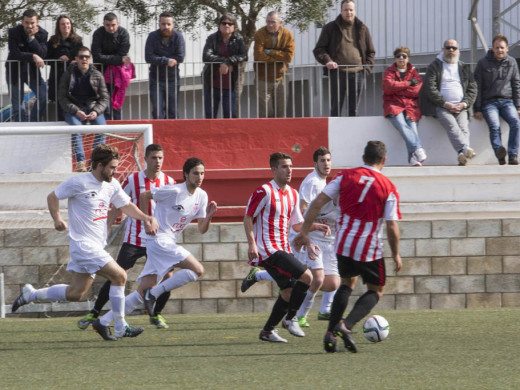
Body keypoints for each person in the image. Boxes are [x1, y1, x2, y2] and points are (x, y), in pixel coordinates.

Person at [11, 144, 159, 341]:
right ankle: (120, 326)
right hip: (83, 245)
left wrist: (145, 217)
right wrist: (57, 219)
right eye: (112, 168)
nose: (115, 172)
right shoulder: (79, 182)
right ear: (99, 165)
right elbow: (53, 197)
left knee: (75, 293)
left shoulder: (112, 185)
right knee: (120, 276)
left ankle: (31, 295)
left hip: (96, 246)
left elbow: (126, 205)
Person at [293, 140, 402, 353]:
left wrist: (304, 231)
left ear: (363, 158)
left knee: (346, 284)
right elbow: (391, 226)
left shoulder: (345, 176)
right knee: (377, 289)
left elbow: (316, 203)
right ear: (384, 160)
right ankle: (346, 325)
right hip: (369, 247)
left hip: (343, 243)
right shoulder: (388, 186)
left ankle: (330, 334)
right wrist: (396, 254)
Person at [95, 158, 217, 335]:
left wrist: (210, 217)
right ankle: (153, 294)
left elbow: (201, 229)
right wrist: (147, 222)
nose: (199, 177)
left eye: (202, 173)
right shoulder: (174, 190)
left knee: (141, 292)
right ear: (186, 174)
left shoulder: (202, 196)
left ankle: (103, 322)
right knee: (197, 270)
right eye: (195, 173)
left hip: (166, 242)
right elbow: (145, 195)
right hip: (159, 240)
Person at [77, 143, 175, 330]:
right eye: (154, 158)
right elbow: (117, 205)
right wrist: (106, 228)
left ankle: (156, 314)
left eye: (160, 158)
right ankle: (95, 312)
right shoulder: (133, 180)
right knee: (117, 274)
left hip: (157, 240)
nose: (158, 161)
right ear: (145, 159)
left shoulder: (169, 182)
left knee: (168, 277)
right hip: (134, 239)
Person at [241, 147, 339, 325]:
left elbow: (298, 221)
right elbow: (248, 216)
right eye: (285, 166)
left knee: (295, 288)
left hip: (287, 244)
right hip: (271, 247)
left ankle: (269, 329)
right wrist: (252, 244)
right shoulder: (267, 191)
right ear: (274, 170)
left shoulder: (293, 193)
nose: (289, 170)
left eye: (291, 166)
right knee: (310, 278)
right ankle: (296, 318)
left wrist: (315, 226)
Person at [419, 39, 478, 166]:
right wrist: (445, 104)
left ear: (458, 50)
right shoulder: (435, 66)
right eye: (448, 47)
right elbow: (430, 88)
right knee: (452, 126)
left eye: (454, 48)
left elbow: (473, 88)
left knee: (464, 128)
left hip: (461, 106)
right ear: (443, 49)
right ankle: (464, 148)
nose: (451, 50)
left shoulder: (463, 67)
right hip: (441, 106)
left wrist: (464, 104)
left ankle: (462, 155)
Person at [313, 0, 375, 117]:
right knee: (336, 108)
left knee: (353, 110)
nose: (349, 12)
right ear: (341, 11)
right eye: (346, 10)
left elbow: (371, 52)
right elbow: (319, 49)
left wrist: (366, 70)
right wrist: (328, 61)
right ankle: (335, 134)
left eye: (351, 10)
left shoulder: (362, 28)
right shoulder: (330, 28)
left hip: (358, 73)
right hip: (337, 73)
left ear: (354, 11)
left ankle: (352, 135)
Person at [58, 46, 109, 172]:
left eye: (87, 57)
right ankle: (81, 162)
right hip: (74, 109)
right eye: (81, 57)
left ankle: (93, 162)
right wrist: (75, 111)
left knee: (102, 129)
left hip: (92, 107)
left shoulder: (97, 75)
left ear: (90, 59)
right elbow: (62, 98)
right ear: (76, 59)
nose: (84, 59)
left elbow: (104, 98)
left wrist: (96, 111)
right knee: (76, 129)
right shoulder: (68, 74)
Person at [473, 34, 520, 165]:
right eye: (497, 47)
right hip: (489, 103)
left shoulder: (511, 62)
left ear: (507, 49)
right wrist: (477, 108)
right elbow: (478, 86)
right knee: (494, 126)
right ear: (492, 49)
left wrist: (518, 107)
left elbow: (516, 84)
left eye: (502, 48)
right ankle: (499, 152)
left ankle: (513, 154)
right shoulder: (483, 63)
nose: (499, 50)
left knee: (515, 122)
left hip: (507, 101)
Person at [383, 46, 427, 166]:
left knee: (413, 129)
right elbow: (388, 87)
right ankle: (418, 149)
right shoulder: (389, 71)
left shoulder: (413, 72)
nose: (401, 58)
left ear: (408, 58)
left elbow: (416, 90)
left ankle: (412, 158)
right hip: (394, 105)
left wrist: (397, 87)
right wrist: (408, 83)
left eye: (404, 56)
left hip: (410, 106)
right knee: (402, 125)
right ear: (394, 58)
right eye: (398, 56)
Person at [202, 13, 247, 118]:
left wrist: (229, 62)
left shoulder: (238, 39)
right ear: (219, 25)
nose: (226, 25)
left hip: (230, 85)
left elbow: (244, 56)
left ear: (234, 26)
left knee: (229, 116)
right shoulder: (212, 38)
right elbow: (206, 56)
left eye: (230, 24)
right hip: (212, 84)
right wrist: (224, 62)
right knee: (210, 117)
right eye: (224, 23)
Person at [6, 9, 48, 122]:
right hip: (14, 71)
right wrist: (33, 56)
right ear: (22, 22)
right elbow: (15, 53)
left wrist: (32, 39)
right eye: (27, 22)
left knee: (44, 95)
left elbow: (43, 53)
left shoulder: (43, 34)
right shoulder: (13, 32)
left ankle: (34, 123)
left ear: (37, 22)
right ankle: (22, 127)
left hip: (32, 72)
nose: (29, 26)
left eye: (32, 23)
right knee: (18, 105)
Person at [253, 11, 295, 118]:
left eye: (273, 22)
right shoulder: (259, 34)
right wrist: (278, 57)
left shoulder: (287, 34)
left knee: (280, 112)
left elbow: (289, 57)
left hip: (281, 76)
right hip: (263, 77)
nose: (270, 25)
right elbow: (258, 55)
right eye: (268, 22)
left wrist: (270, 52)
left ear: (280, 22)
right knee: (266, 112)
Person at [145, 11, 185, 119]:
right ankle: (157, 136)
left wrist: (158, 59)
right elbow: (148, 57)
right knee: (157, 111)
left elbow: (180, 56)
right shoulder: (152, 36)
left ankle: (174, 135)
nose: (166, 27)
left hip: (172, 79)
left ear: (173, 25)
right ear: (159, 24)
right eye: (163, 24)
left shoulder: (178, 36)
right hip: (156, 79)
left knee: (173, 111)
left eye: (168, 24)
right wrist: (166, 61)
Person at [91, 12, 131, 120]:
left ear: (118, 23)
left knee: (117, 102)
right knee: (104, 103)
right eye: (107, 25)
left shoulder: (124, 33)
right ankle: (105, 127)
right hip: (101, 72)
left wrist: (107, 59)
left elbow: (123, 54)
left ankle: (117, 127)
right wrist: (117, 59)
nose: (111, 28)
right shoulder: (98, 33)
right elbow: (96, 57)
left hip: (118, 74)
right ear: (103, 24)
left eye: (113, 25)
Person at [47, 15, 83, 121]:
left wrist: (75, 60)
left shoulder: (78, 40)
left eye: (68, 23)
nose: (66, 26)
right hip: (57, 76)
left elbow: (82, 55)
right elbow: (46, 57)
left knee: (74, 102)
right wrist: (58, 59)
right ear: (58, 26)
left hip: (73, 76)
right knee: (60, 102)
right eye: (63, 24)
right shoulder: (53, 40)